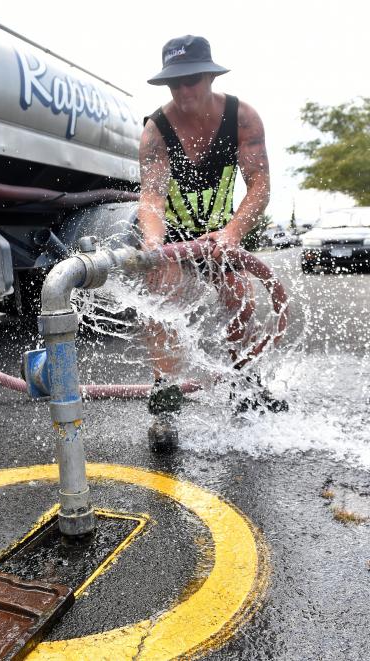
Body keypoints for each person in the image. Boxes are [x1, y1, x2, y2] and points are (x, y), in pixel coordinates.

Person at [138, 35, 287, 445]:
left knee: (241, 297)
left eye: (193, 80)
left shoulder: (242, 117)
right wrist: (154, 245)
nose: (185, 91)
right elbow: (150, 197)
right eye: (176, 83)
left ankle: (246, 386)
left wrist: (232, 234)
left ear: (210, 76)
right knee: (161, 297)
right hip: (174, 238)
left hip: (222, 234)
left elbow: (259, 187)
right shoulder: (157, 130)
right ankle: (164, 408)